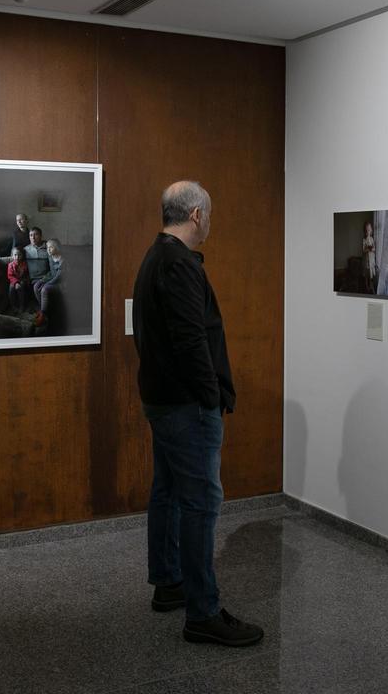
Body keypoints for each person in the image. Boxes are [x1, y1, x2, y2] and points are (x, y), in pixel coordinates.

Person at [132, 180, 263, 648]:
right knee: (201, 502)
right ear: (196, 216)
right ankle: (203, 613)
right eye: (209, 215)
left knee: (168, 491)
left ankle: (169, 582)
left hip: (164, 399)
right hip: (186, 405)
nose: (210, 223)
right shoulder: (178, 264)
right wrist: (211, 396)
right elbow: (191, 340)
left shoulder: (157, 257)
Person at [33, 238, 65, 327]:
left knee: (44, 289)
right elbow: (51, 272)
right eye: (47, 247)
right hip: (52, 278)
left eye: (51, 247)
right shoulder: (51, 257)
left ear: (57, 248)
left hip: (62, 283)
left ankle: (43, 314)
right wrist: (42, 280)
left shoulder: (62, 261)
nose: (48, 250)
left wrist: (47, 283)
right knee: (36, 286)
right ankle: (43, 309)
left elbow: (58, 277)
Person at [6, 246, 30, 312]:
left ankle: (22, 305)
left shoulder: (24, 264)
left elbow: (27, 273)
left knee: (20, 287)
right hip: (13, 280)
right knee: (11, 288)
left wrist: (27, 280)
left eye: (19, 255)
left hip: (22, 279)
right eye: (15, 255)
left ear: (22, 256)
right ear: (12, 256)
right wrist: (16, 283)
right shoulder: (10, 265)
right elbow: (10, 276)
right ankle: (13, 305)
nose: (17, 257)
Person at [362, 219, 377, 294]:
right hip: (367, 259)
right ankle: (366, 285)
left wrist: (372, 249)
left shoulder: (372, 238)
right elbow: (363, 250)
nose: (369, 231)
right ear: (365, 231)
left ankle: (371, 285)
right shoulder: (364, 239)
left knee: (371, 274)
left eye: (370, 229)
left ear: (371, 230)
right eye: (367, 229)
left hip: (372, 259)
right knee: (367, 274)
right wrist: (368, 249)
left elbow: (374, 248)